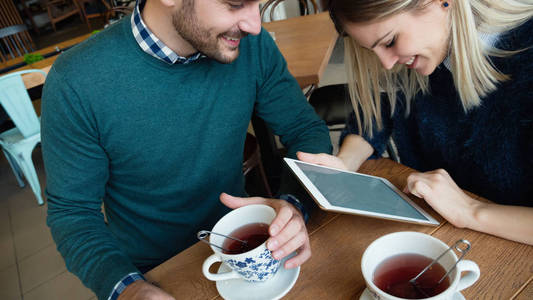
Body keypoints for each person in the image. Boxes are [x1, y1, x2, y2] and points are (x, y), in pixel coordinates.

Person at [40, 0, 333, 298]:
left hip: (250, 245)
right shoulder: (76, 82)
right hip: (154, 273)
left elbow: (305, 130)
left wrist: (293, 208)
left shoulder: (251, 46)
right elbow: (73, 214)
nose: (255, 25)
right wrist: (127, 289)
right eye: (235, 4)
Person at [298, 0, 533, 245]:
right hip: (442, 237)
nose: (386, 63)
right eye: (372, 50)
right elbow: (379, 110)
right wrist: (345, 162)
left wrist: (471, 210)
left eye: (389, 41)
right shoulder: (426, 55)